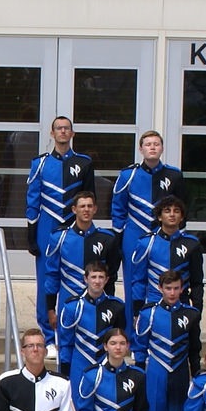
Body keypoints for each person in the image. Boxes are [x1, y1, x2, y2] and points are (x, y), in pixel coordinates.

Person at [132, 269, 200, 411]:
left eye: (176, 288)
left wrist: (196, 374)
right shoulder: (148, 313)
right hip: (156, 371)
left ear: (182, 289)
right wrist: (140, 376)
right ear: (160, 289)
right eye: (168, 288)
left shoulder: (191, 314)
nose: (172, 292)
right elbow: (140, 346)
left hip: (180, 371)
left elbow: (194, 348)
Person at [36, 189, 118, 332]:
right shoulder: (59, 238)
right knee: (65, 347)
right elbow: (52, 276)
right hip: (67, 300)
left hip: (98, 303)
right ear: (74, 209)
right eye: (82, 206)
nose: (86, 210)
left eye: (89, 206)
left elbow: (111, 277)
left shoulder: (107, 239)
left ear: (95, 209)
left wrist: (109, 306)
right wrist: (50, 309)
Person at [110, 131, 183, 269]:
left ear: (162, 148)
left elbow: (182, 207)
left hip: (163, 234)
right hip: (133, 234)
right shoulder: (128, 175)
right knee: (132, 277)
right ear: (141, 149)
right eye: (148, 144)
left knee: (164, 277)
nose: (152, 147)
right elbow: (118, 207)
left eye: (156, 144)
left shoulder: (174, 175)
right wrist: (118, 237)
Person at [25, 116, 93, 257]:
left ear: (72, 133)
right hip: (47, 223)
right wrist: (31, 236)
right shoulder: (40, 164)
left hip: (75, 223)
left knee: (76, 272)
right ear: (52, 133)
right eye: (59, 128)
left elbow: (90, 199)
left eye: (66, 128)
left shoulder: (84, 163)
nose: (63, 131)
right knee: (46, 273)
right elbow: (33, 202)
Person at [125, 197, 203, 316]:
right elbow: (139, 281)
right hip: (153, 307)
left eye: (176, 211)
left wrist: (197, 311)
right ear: (160, 217)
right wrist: (137, 312)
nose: (172, 214)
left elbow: (197, 282)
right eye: (167, 211)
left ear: (181, 217)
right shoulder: (146, 243)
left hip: (182, 307)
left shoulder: (192, 244)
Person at [55, 262, 128, 387]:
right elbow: (66, 342)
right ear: (85, 279)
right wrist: (65, 373)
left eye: (101, 277)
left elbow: (119, 340)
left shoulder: (117, 306)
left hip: (106, 365)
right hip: (79, 364)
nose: (97, 281)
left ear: (107, 280)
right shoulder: (73, 307)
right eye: (93, 277)